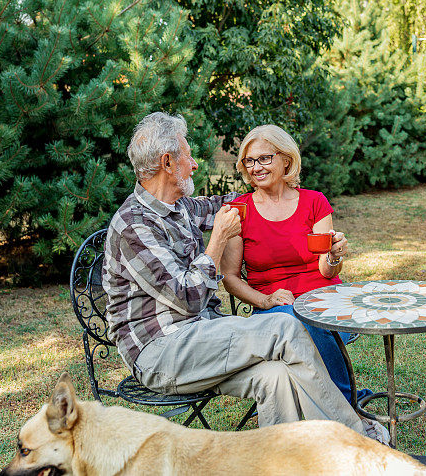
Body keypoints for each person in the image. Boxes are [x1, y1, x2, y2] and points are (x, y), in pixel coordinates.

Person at [102, 112, 387, 443]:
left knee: (277, 377)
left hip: (200, 336)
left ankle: (280, 463)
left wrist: (280, 191)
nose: (194, 165)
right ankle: (356, 441)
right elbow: (188, 297)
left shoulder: (181, 208)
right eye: (188, 155)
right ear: (168, 162)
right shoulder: (134, 224)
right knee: (284, 325)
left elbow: (244, 204)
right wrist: (218, 241)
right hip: (161, 352)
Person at [220, 125, 362, 404]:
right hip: (275, 311)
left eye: (264, 158)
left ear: (286, 159)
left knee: (312, 318)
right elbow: (229, 277)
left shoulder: (314, 202)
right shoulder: (240, 210)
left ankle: (335, 404)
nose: (255, 167)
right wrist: (265, 300)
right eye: (249, 161)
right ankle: (348, 403)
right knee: (297, 320)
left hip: (327, 303)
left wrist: (334, 255)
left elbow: (327, 271)